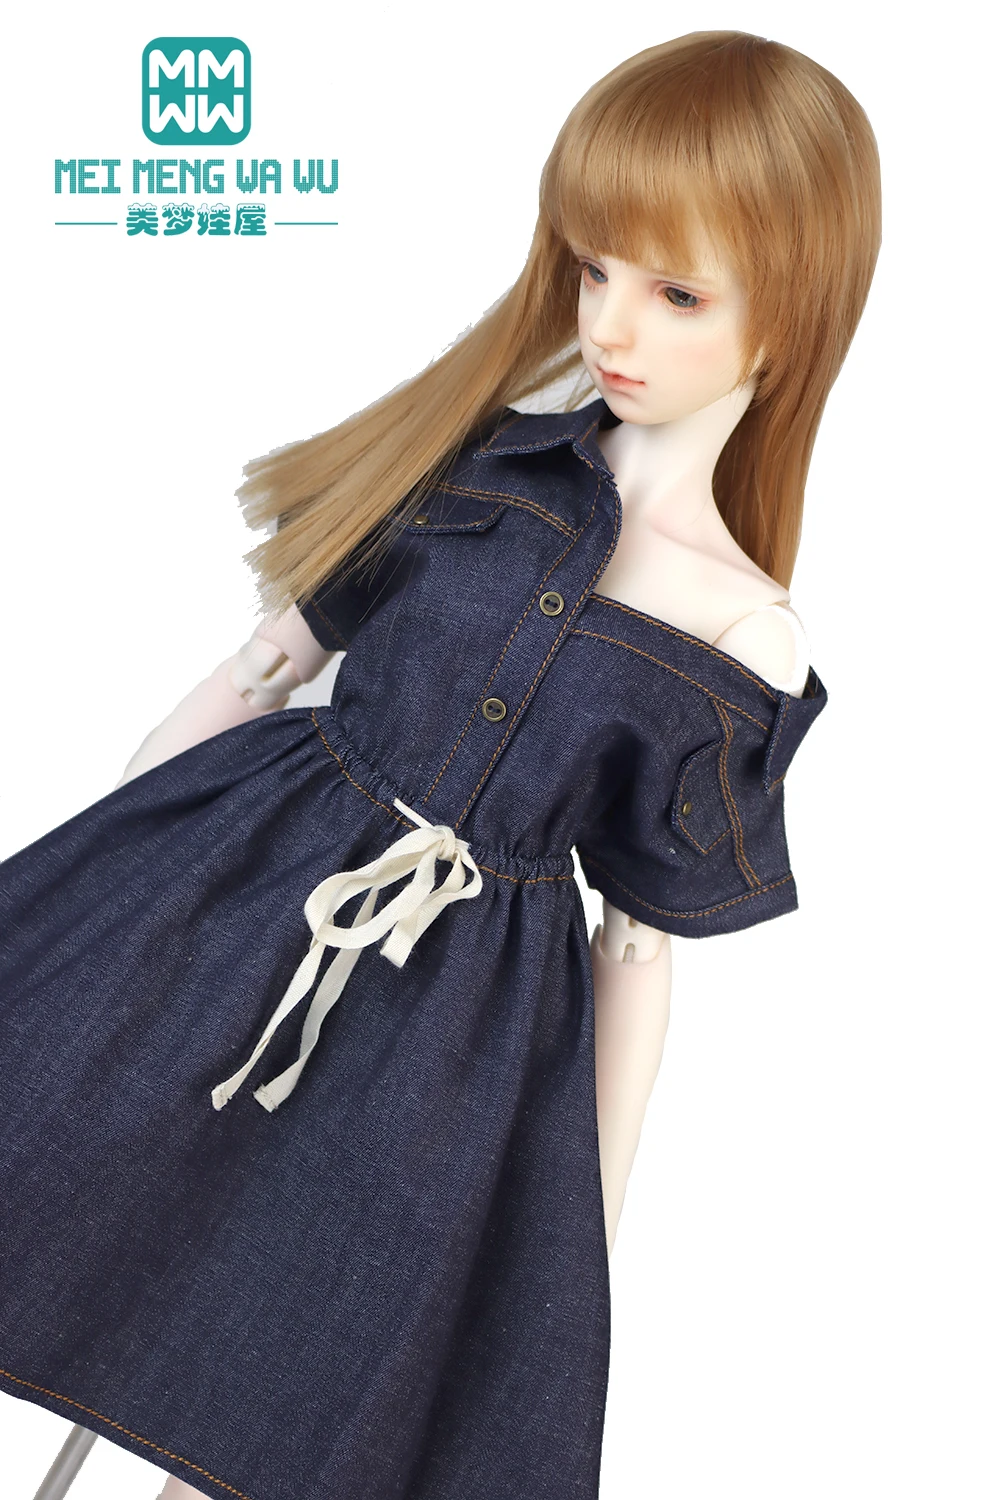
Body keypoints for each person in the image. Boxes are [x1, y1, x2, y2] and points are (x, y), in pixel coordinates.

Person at [0, 31, 880, 1500]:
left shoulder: (744, 639)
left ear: (789, 317)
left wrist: (574, 1234)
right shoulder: (480, 470)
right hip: (240, 894)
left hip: (451, 1045)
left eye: (677, 293)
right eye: (594, 270)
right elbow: (260, 668)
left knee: (289, 1366)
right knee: (98, 1203)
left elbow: (639, 951)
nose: (613, 326)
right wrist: (100, 893)